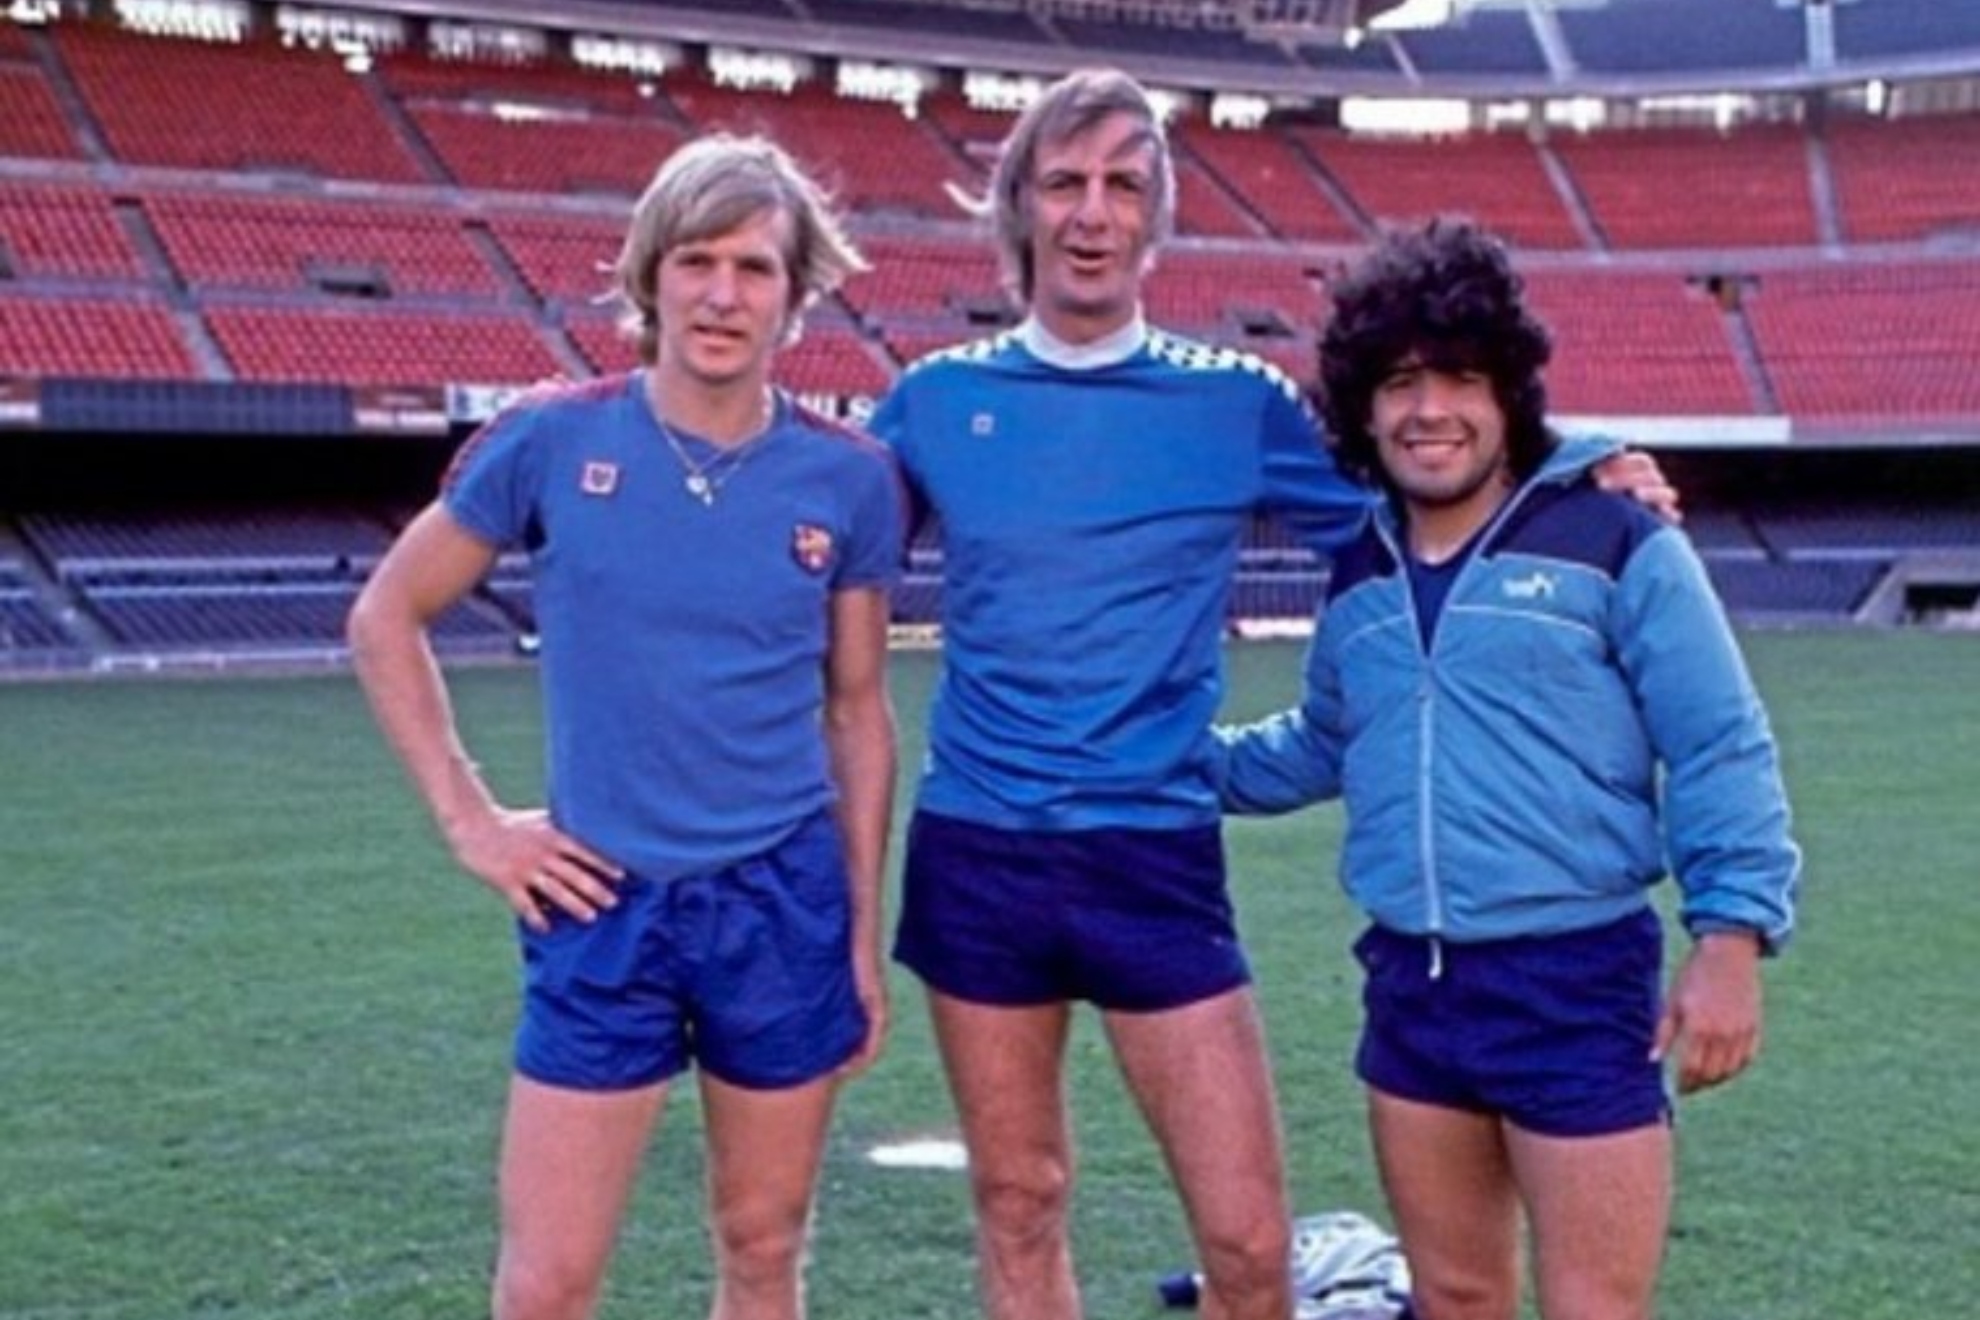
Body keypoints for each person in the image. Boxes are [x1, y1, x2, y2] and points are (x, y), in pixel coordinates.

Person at [869, 68, 1678, 1320]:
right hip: (978, 851)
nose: (1092, 212)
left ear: (1156, 219)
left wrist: (1578, 462)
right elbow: (794, 511)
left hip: (1153, 851)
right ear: (1019, 205)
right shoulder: (932, 403)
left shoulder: (1234, 404)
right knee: (1020, 1199)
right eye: (1065, 182)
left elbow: (1426, 480)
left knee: (1249, 1246)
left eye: (1122, 186)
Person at [346, 134, 903, 1320]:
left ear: (795, 294)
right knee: (546, 1285)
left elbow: (856, 711)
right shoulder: (553, 439)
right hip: (600, 902)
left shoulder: (850, 479)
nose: (721, 293)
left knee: (761, 1250)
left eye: (755, 267)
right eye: (696, 260)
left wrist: (859, 925)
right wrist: (473, 821)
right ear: (649, 275)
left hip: (780, 900)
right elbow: (386, 614)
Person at [1215, 217, 1800, 1320]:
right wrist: (1178, 764)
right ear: (1362, 407)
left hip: (1575, 986)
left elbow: (1718, 740)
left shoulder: (1617, 537)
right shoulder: (1361, 572)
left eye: (1459, 378)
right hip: (1411, 987)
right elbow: (1326, 743)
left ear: (1509, 395)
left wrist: (1732, 939)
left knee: (1593, 1308)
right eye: (1398, 383)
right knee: (1457, 1296)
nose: (1428, 409)